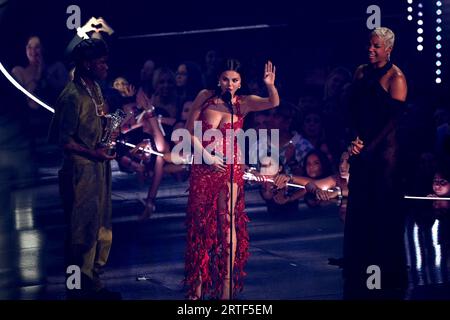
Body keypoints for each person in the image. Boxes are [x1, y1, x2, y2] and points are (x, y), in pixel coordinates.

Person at [184, 59, 279, 299]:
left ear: (241, 82)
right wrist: (205, 156)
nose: (230, 84)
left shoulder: (243, 103)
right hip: (204, 167)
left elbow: (273, 102)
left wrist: (270, 85)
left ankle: (226, 285)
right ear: (218, 79)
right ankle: (196, 285)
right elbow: (188, 130)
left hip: (230, 168)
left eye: (235, 80)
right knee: (201, 224)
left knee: (227, 222)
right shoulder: (205, 96)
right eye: (226, 79)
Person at [48, 38, 121, 300]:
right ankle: (77, 288)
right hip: (80, 172)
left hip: (99, 167)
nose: (105, 66)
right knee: (80, 230)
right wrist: (94, 152)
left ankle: (94, 282)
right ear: (87, 64)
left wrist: (113, 129)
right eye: (100, 62)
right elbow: (64, 141)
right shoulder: (71, 96)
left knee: (101, 225)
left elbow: (103, 119)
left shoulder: (96, 90)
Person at [344, 27, 408, 299]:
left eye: (376, 46)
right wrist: (354, 140)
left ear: (388, 49)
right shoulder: (361, 72)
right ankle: (359, 263)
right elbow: (353, 110)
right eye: (369, 45)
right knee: (359, 206)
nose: (370, 50)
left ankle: (385, 268)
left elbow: (393, 121)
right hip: (362, 147)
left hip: (385, 153)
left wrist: (370, 146)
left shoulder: (397, 77)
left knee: (382, 207)